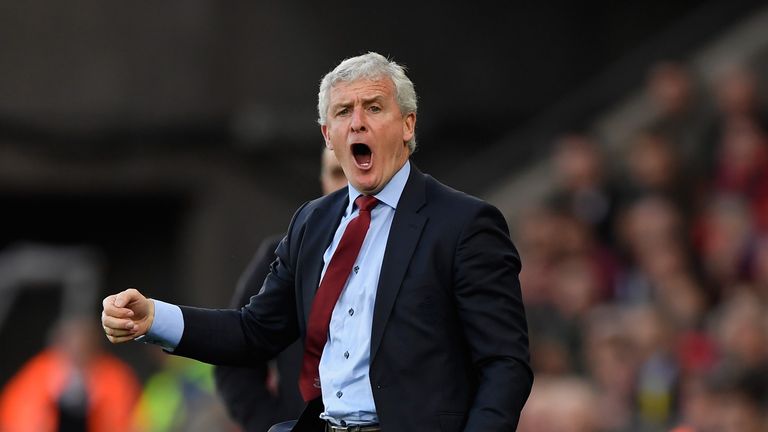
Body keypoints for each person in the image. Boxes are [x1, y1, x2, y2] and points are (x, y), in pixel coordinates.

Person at [102, 52, 532, 431]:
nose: (357, 121)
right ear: (328, 135)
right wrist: (154, 318)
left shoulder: (464, 223)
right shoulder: (312, 222)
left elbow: (505, 364)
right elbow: (254, 331)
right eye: (343, 112)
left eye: (374, 107)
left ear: (407, 124)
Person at [213, 148, 347, 432]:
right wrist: (274, 425)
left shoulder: (417, 251)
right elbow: (236, 350)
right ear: (322, 180)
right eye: (337, 172)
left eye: (355, 168)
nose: (348, 183)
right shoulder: (282, 257)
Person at [0, 316, 140, 432]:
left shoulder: (114, 376)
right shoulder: (38, 374)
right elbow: (18, 418)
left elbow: (124, 421)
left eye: (85, 345)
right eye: (72, 344)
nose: (78, 351)